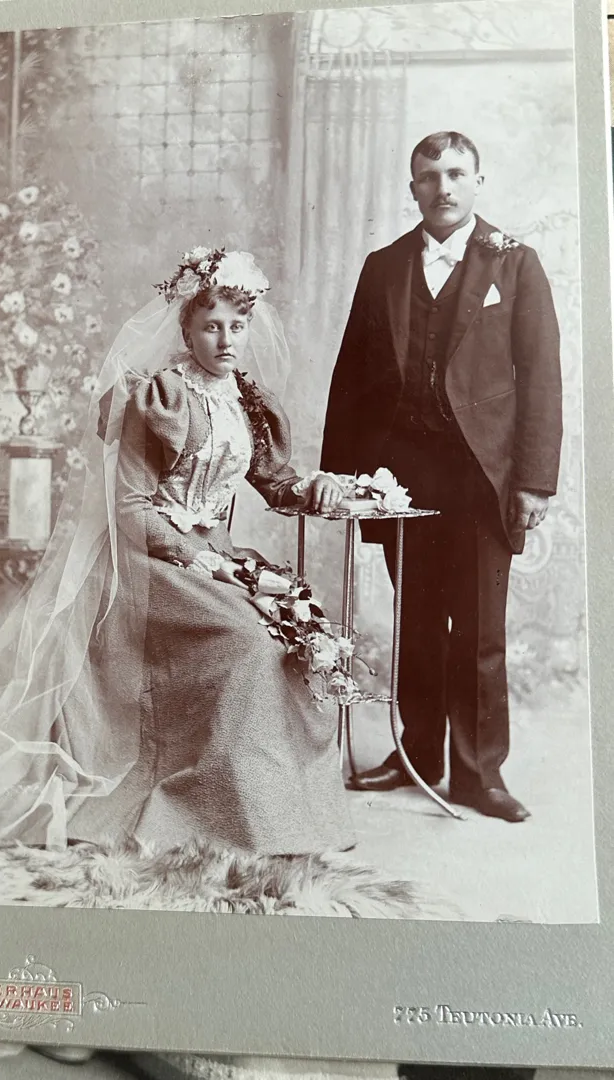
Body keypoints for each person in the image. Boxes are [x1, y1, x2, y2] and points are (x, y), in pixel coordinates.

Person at [0, 248, 357, 857]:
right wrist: (208, 562)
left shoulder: (247, 400)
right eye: (211, 326)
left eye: (237, 325)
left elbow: (275, 483)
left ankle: (277, 814)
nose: (226, 340)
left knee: (291, 641)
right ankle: (206, 808)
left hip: (219, 558)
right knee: (247, 644)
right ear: (186, 330)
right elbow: (132, 507)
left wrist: (314, 487)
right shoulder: (161, 397)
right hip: (149, 562)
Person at [321, 131, 562, 823]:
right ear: (413, 189)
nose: (443, 187)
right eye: (429, 176)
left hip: (484, 478)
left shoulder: (515, 263)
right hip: (402, 479)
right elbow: (351, 378)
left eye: (456, 173)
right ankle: (420, 754)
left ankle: (480, 774)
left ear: (478, 181)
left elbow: (541, 377)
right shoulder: (383, 266)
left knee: (480, 629)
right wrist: (341, 478)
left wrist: (534, 481)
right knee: (418, 624)